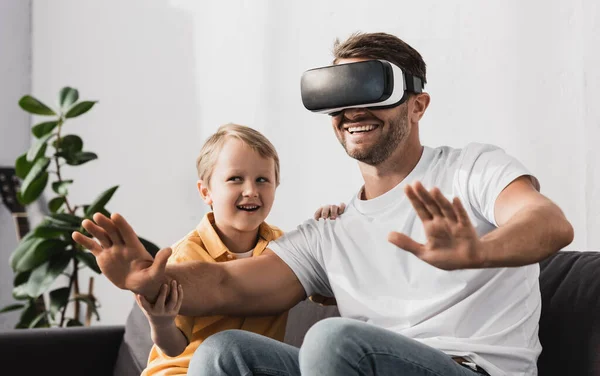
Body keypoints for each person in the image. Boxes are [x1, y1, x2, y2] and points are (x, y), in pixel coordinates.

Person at [73, 32, 574, 376]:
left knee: (332, 339)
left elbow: (547, 222)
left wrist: (481, 252)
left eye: (370, 92)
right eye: (340, 97)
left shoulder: (471, 169)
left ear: (417, 104)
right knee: (226, 353)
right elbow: (226, 283)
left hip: (468, 369)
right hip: (359, 366)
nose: (352, 111)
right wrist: (151, 278)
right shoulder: (329, 234)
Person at [111, 123, 344, 376]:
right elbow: (173, 348)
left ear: (276, 186)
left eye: (262, 180)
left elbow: (328, 290)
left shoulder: (284, 248)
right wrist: (161, 321)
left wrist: (333, 227)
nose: (251, 191)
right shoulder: (185, 256)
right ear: (206, 192)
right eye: (235, 179)